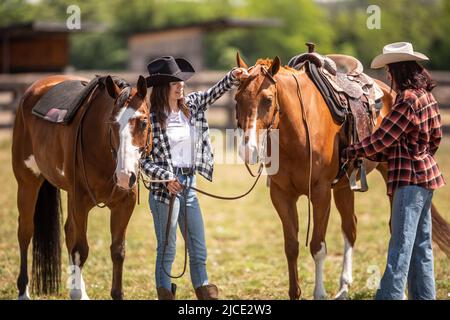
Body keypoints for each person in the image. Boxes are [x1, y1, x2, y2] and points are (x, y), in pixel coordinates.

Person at [342, 42, 445, 300]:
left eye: (389, 70)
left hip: (408, 181)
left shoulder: (407, 100)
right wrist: (417, 153)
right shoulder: (427, 97)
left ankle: (389, 296)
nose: (387, 76)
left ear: (398, 71)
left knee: (401, 245)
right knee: (422, 247)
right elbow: (435, 138)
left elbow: (382, 139)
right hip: (427, 178)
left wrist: (352, 151)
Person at [140, 56, 249, 300]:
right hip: (164, 190)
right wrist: (166, 176)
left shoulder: (191, 105)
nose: (181, 86)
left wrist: (233, 76)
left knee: (198, 247)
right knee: (168, 249)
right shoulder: (151, 119)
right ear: (162, 88)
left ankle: (204, 289)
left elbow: (214, 92)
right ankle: (165, 293)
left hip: (190, 185)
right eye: (174, 83)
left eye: (181, 81)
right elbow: (142, 160)